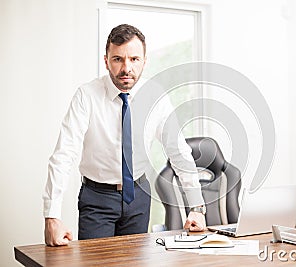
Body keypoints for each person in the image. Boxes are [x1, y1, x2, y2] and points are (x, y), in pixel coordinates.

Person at [43, 24, 206, 246]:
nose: (126, 68)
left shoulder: (155, 97)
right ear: (106, 60)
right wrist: (52, 216)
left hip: (139, 196)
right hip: (97, 199)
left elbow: (178, 150)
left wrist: (196, 207)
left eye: (134, 59)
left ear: (144, 61)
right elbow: (64, 154)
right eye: (118, 59)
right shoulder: (87, 96)